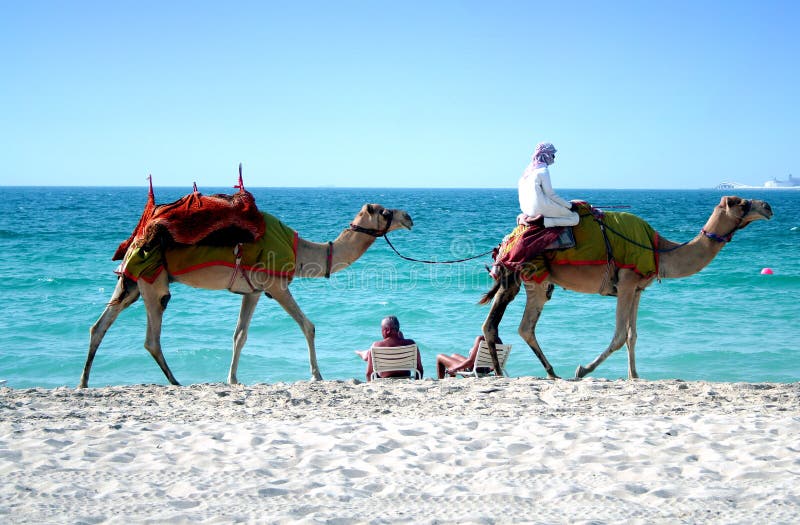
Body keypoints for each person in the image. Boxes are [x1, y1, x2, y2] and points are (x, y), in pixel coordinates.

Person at [518, 142, 579, 227]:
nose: (554, 158)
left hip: (526, 210)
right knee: (575, 218)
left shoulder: (526, 173)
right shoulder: (543, 170)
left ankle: (522, 218)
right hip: (538, 209)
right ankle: (543, 222)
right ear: (546, 155)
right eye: (553, 155)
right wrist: (570, 206)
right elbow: (551, 195)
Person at [355, 316, 423, 381]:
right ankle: (364, 354)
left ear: (387, 330)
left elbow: (369, 373)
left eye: (382, 329)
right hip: (405, 376)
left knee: (370, 353)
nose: (381, 331)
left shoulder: (376, 345)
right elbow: (420, 369)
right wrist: (417, 382)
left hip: (383, 378)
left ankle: (363, 354)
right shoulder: (411, 343)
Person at [435, 335, 501, 379]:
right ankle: (452, 380)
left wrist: (454, 369)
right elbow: (497, 362)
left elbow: (470, 362)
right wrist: (489, 369)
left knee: (439, 357)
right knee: (454, 355)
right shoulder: (498, 340)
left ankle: (441, 382)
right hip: (485, 370)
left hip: (474, 371)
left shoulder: (481, 339)